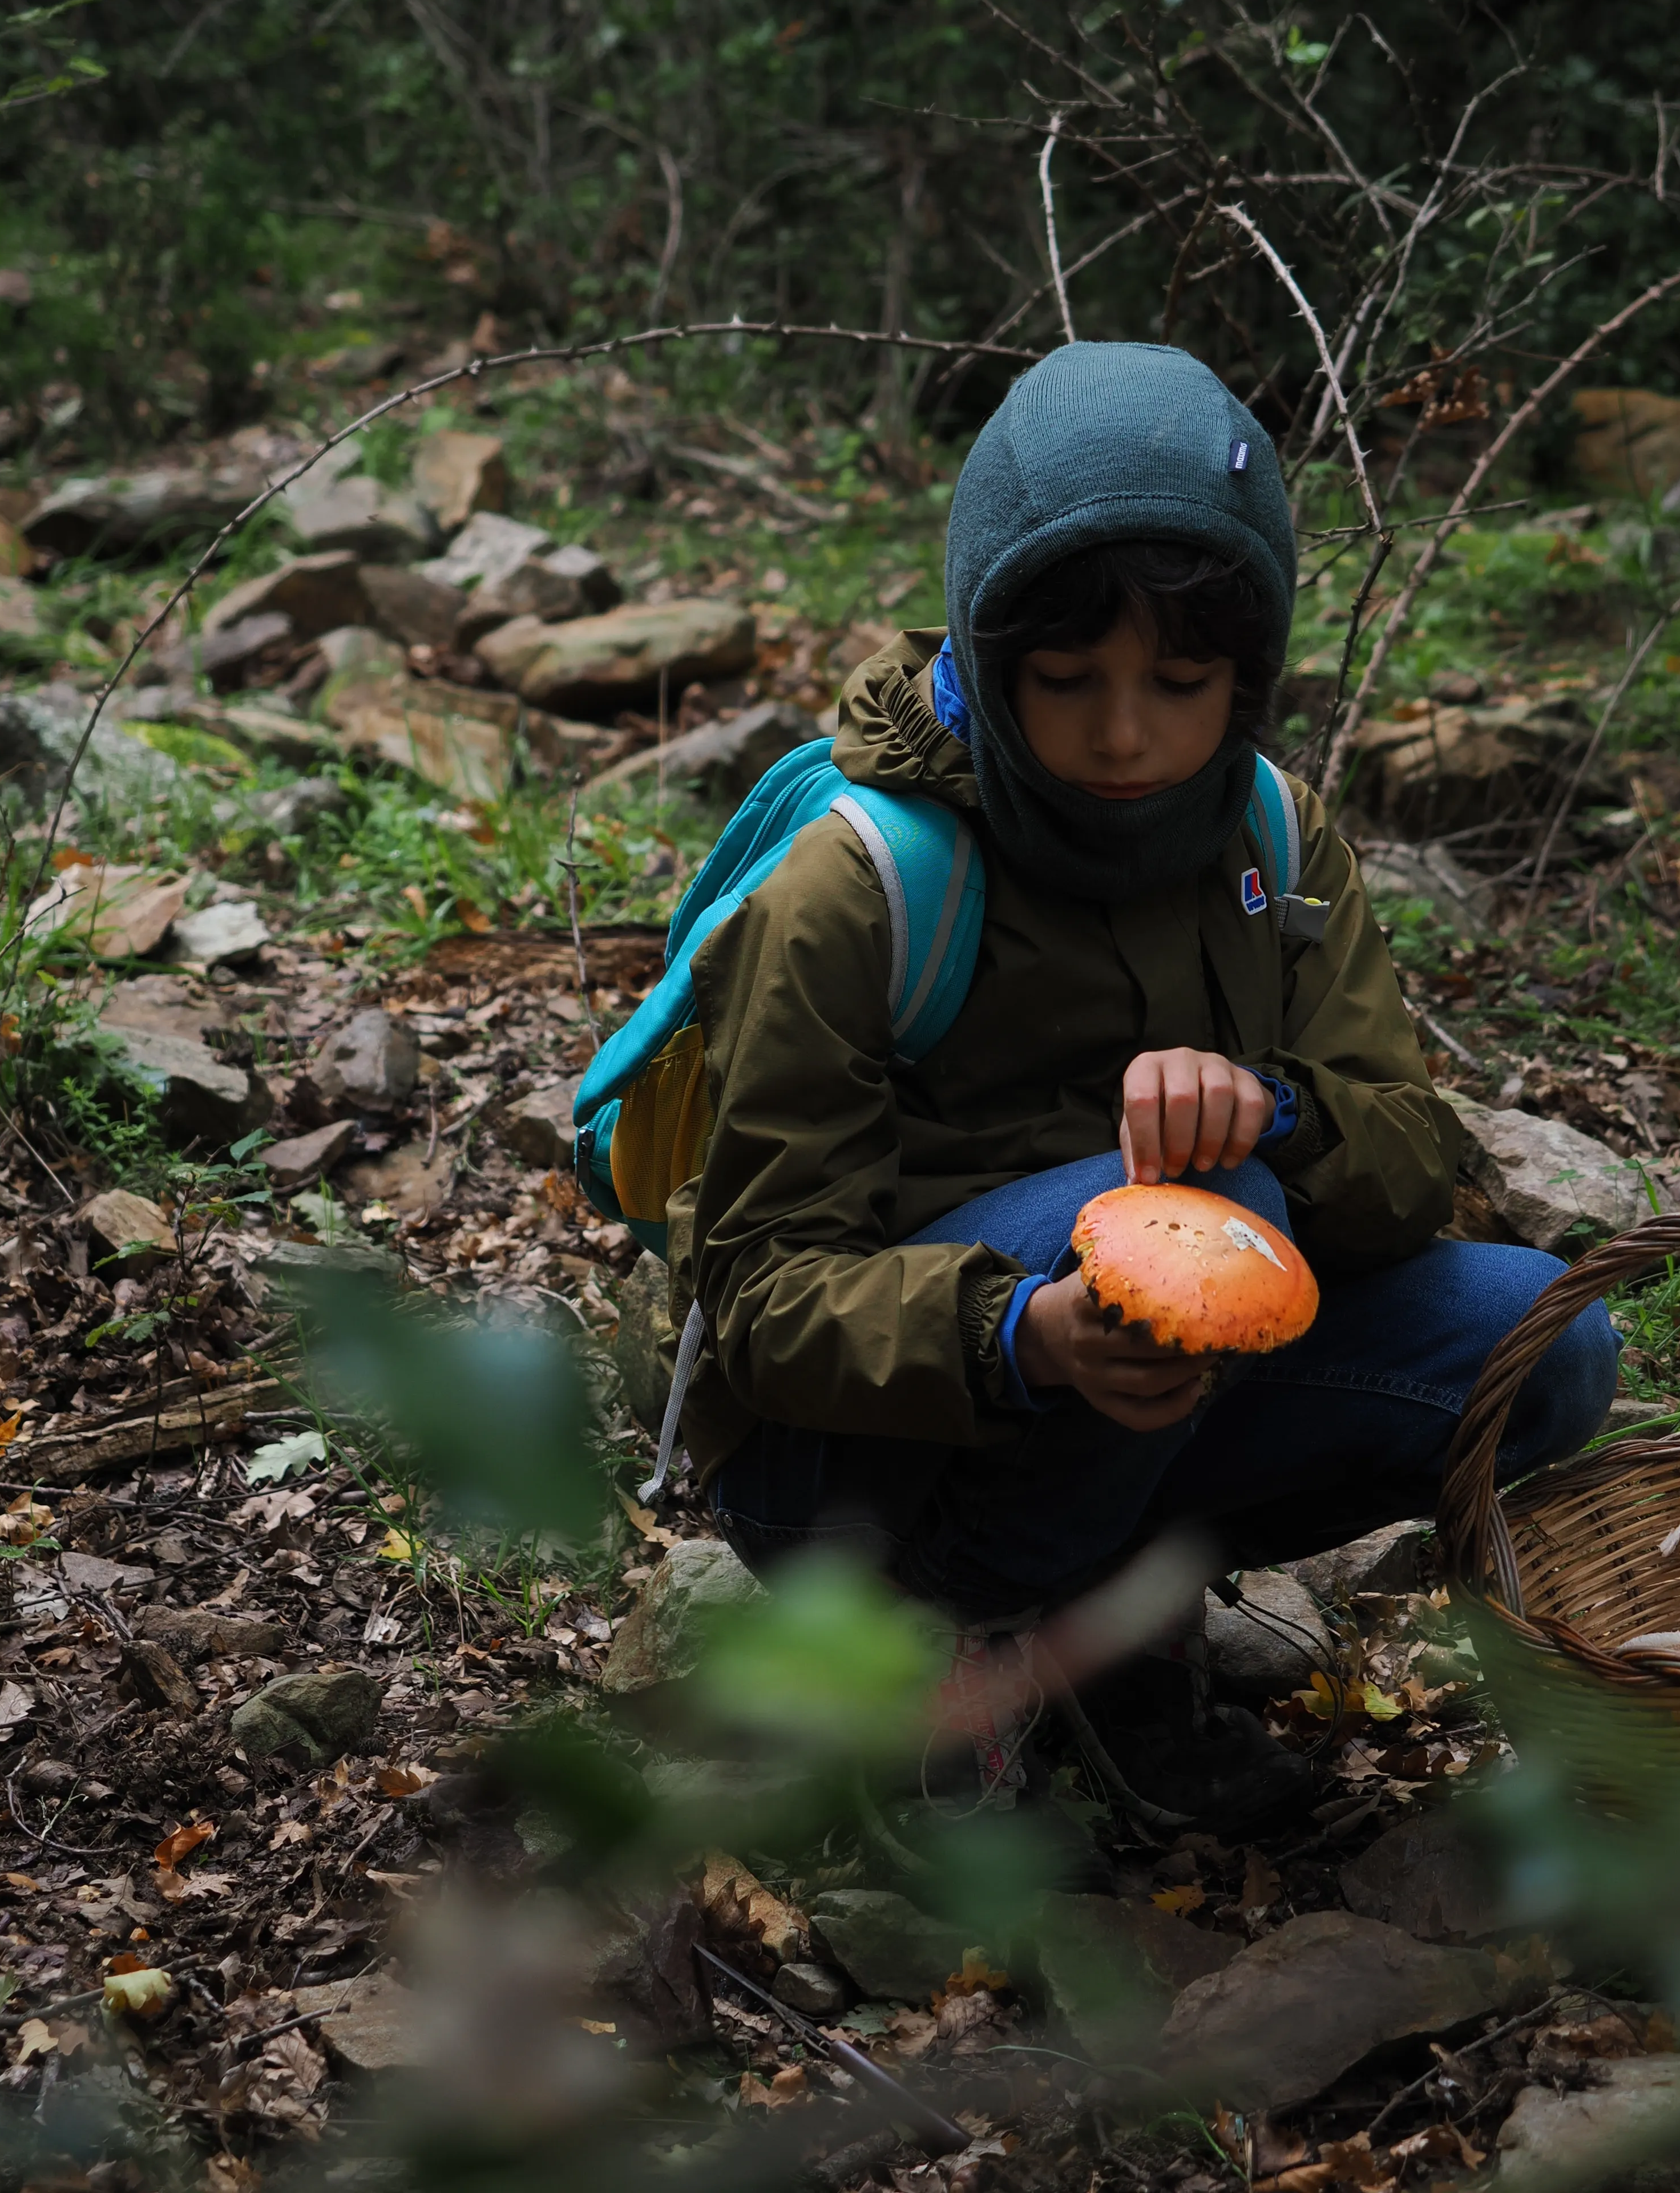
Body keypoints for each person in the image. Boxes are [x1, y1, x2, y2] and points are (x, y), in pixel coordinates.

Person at [663, 341, 1617, 1826]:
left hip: (1139, 1391)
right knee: (1198, 1212)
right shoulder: (861, 885)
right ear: (988, 654)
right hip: (850, 1470)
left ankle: (1111, 1628)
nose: (1123, 733)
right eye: (1064, 679)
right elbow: (765, 1298)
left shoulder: (1272, 844)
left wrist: (1280, 1106)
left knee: (1545, 1351)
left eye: (1181, 682)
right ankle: (957, 1651)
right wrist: (1016, 1339)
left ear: (1249, 676)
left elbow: (1411, 1175)